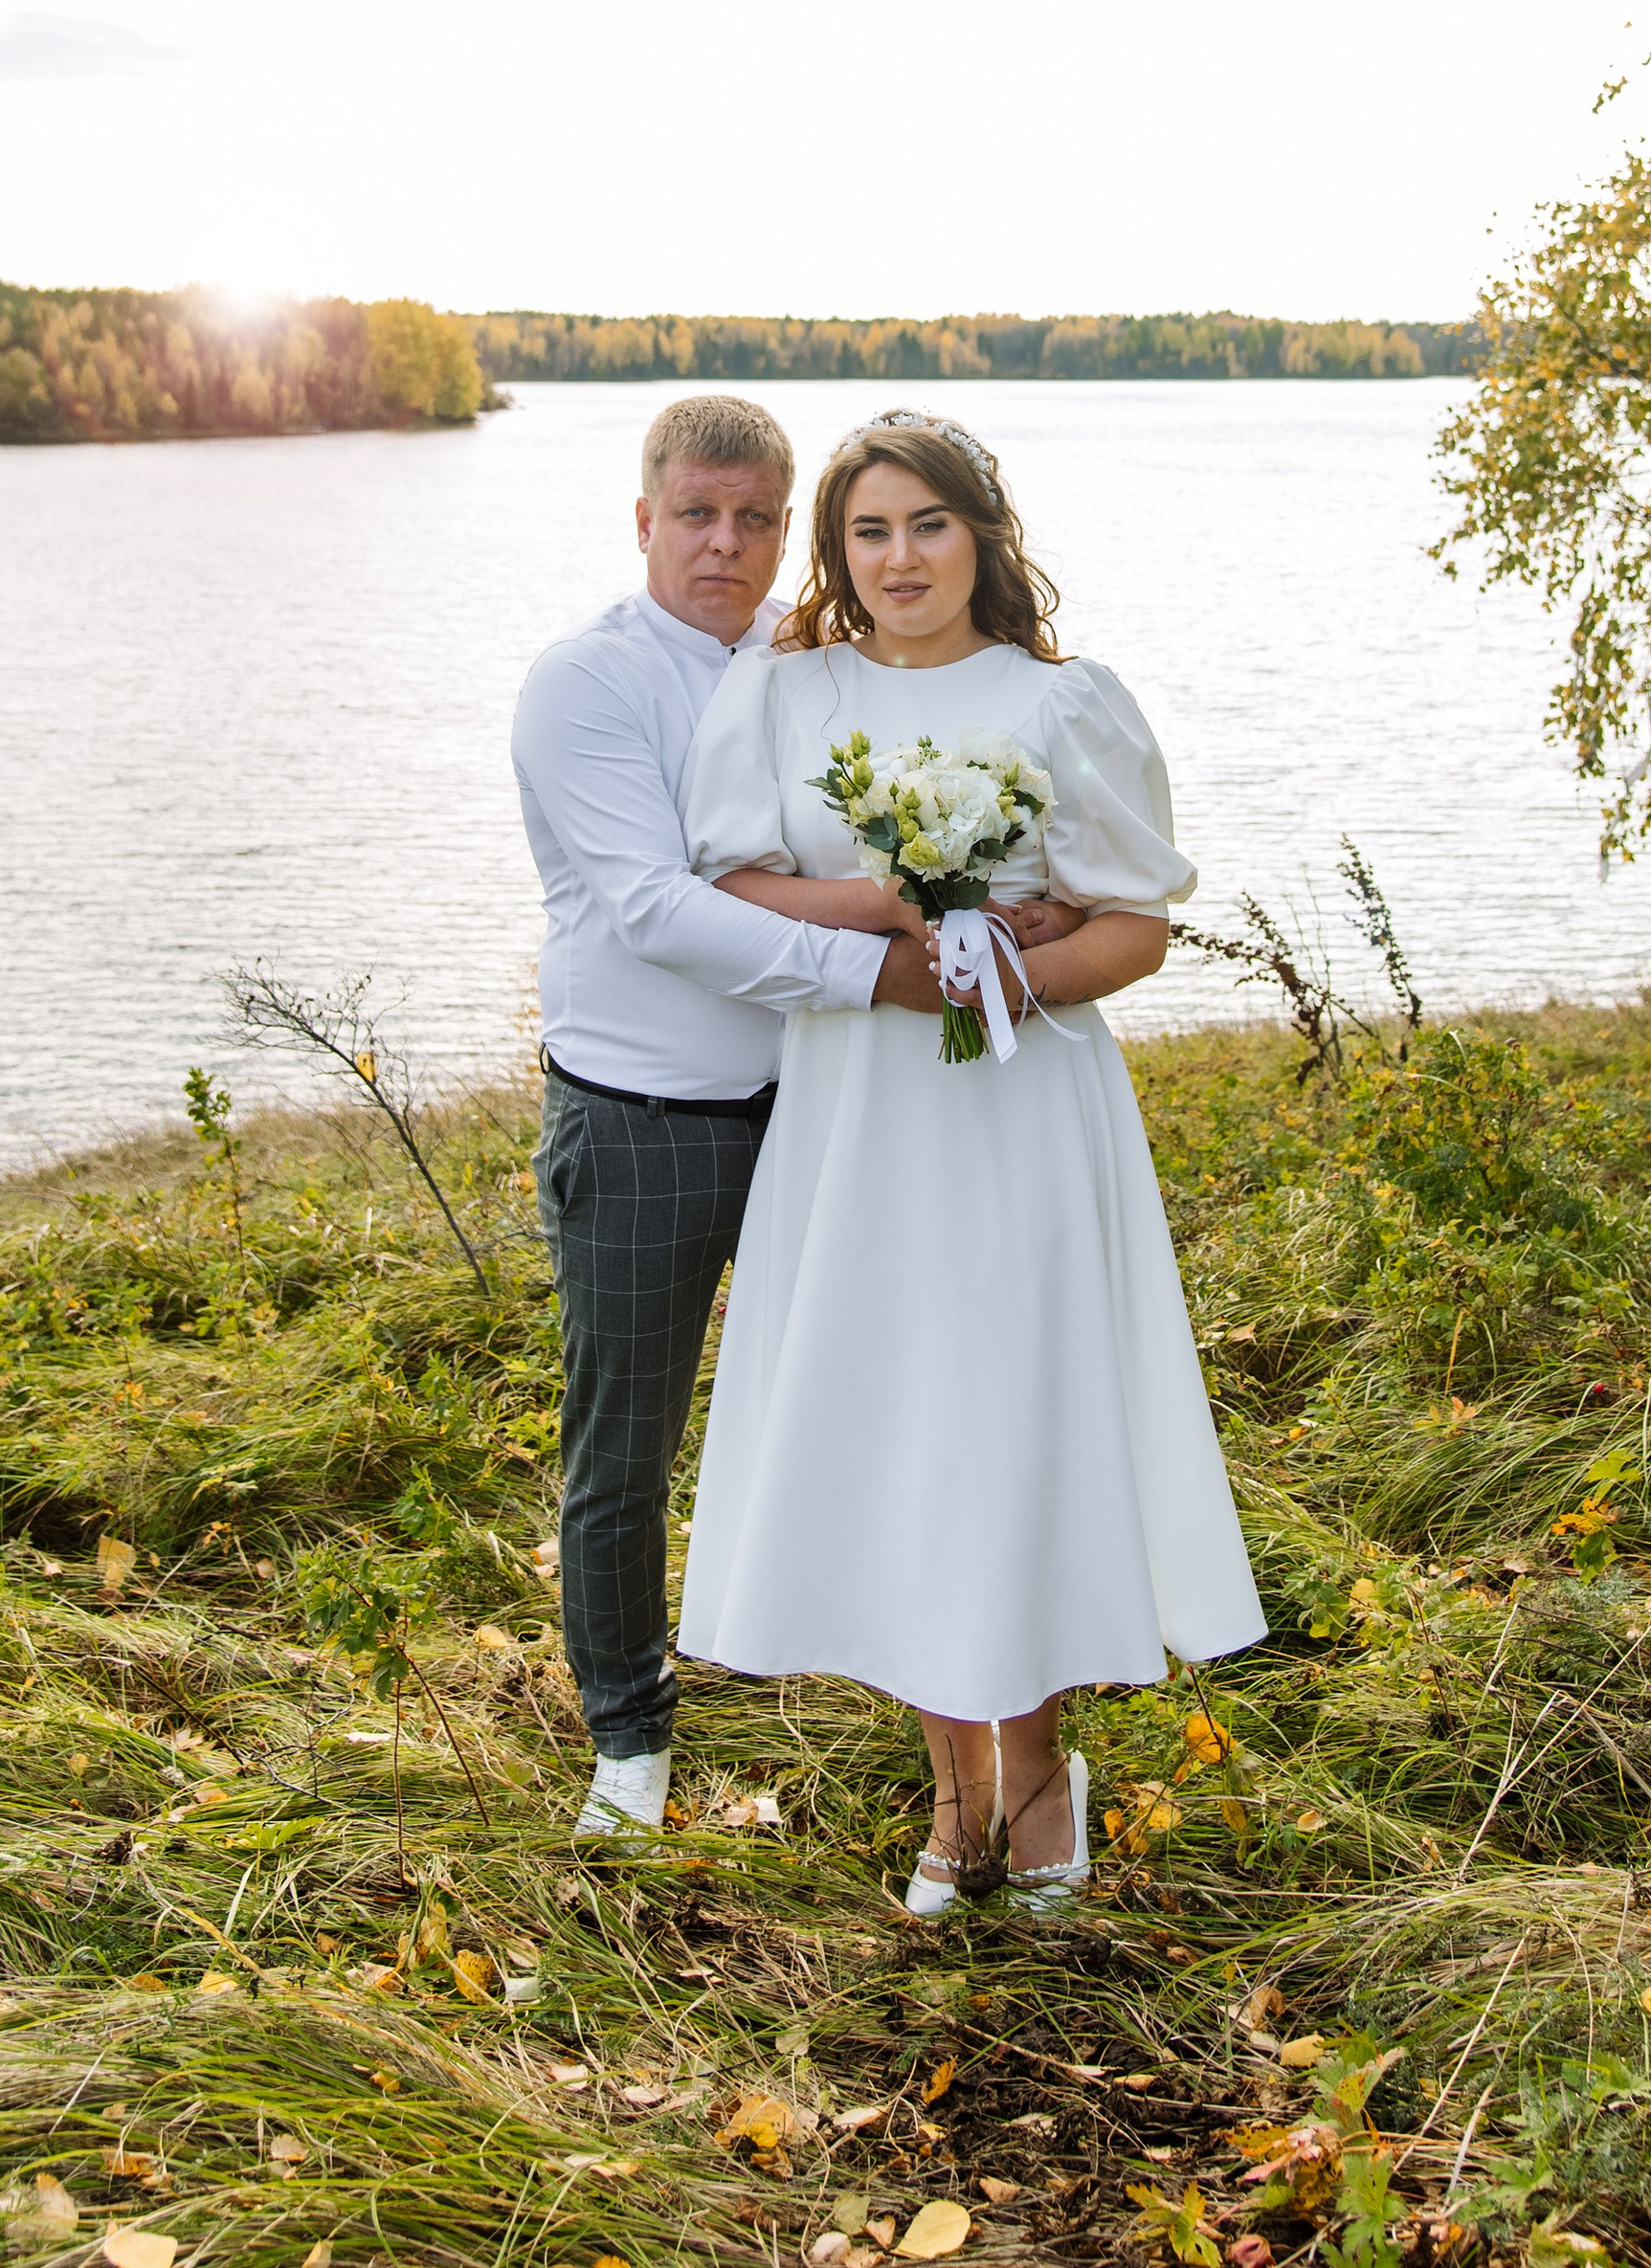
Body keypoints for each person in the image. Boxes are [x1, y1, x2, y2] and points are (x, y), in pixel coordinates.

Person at [676, 408, 1266, 1912]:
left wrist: (1007, 973)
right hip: (862, 1117)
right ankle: (955, 1806)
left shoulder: (1062, 706)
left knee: (1012, 1429)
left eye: (927, 525)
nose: (898, 560)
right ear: (839, 551)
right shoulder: (785, 694)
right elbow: (737, 879)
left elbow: (1134, 922)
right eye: (868, 532)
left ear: (980, 537)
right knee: (900, 1436)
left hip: (1020, 1116)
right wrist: (891, 917)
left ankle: (1045, 1791)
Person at [510, 392, 957, 1838]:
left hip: (823, 1112)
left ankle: (900, 1698)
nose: (725, 543)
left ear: (789, 530)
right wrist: (885, 968)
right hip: (642, 1122)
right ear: (644, 518)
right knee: (623, 1451)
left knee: (866, 1410)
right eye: (696, 514)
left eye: (756, 518)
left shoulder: (819, 666)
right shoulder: (584, 686)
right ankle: (629, 1749)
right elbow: (654, 909)